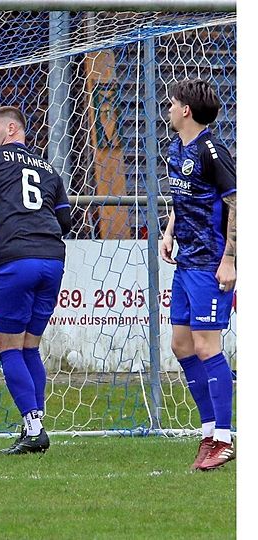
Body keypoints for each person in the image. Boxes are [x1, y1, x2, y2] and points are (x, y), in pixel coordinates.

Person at [0, 105, 72, 454]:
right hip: (53, 259)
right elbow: (66, 221)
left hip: (16, 259)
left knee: (8, 347)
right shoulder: (49, 168)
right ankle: (34, 427)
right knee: (30, 346)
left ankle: (33, 427)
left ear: (12, 129)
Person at [159, 78, 236, 471]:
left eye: (172, 103)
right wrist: (169, 230)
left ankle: (223, 438)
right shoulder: (176, 149)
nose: (168, 108)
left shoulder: (212, 151)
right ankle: (208, 432)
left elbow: (236, 202)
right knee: (181, 345)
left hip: (210, 263)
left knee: (207, 347)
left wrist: (230, 259)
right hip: (186, 260)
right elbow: (183, 196)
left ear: (186, 110)